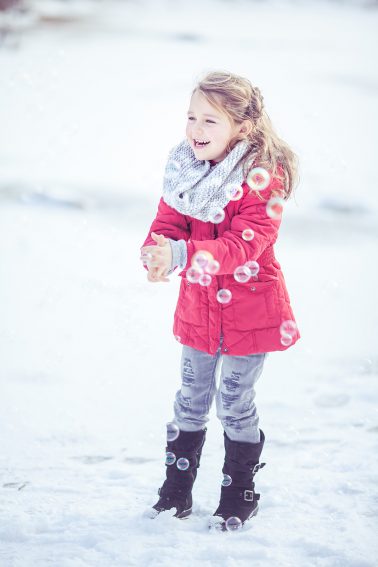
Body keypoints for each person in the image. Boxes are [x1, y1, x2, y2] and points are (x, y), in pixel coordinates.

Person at [140, 70, 299, 531]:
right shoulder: (184, 171)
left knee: (233, 401)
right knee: (189, 399)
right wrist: (157, 253)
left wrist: (183, 253)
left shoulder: (262, 179)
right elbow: (167, 224)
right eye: (192, 117)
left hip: (251, 312)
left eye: (210, 121)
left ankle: (239, 493)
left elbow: (242, 245)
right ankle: (175, 493)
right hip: (198, 310)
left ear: (242, 128)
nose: (196, 130)